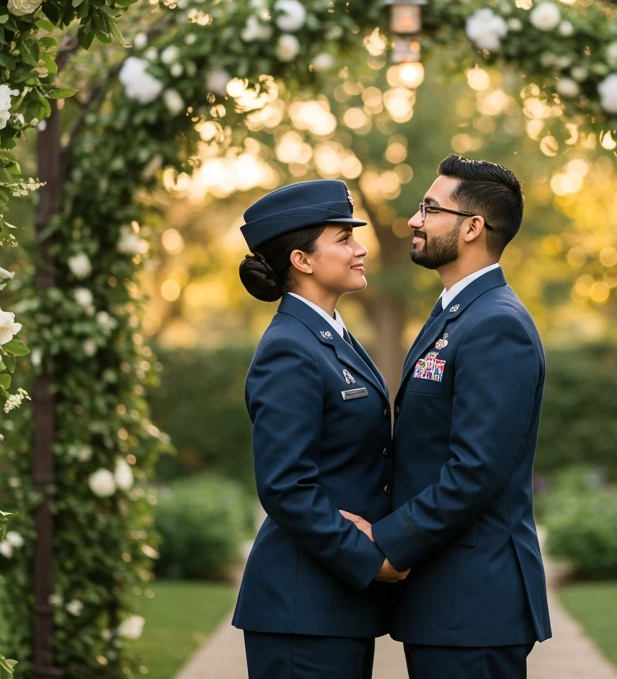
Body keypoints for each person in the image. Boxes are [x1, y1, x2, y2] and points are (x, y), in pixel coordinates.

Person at [340, 154, 552, 679]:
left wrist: (387, 541)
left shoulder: (496, 325)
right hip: (447, 601)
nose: (414, 220)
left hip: (474, 601)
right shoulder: (457, 312)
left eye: (429, 208)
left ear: (473, 228)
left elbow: (477, 469)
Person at [230, 179, 408, 679]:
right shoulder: (290, 347)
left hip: (331, 606)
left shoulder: (330, 335)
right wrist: (370, 558)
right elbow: (285, 485)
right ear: (302, 260)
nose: (361, 248)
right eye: (343, 238)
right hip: (300, 608)